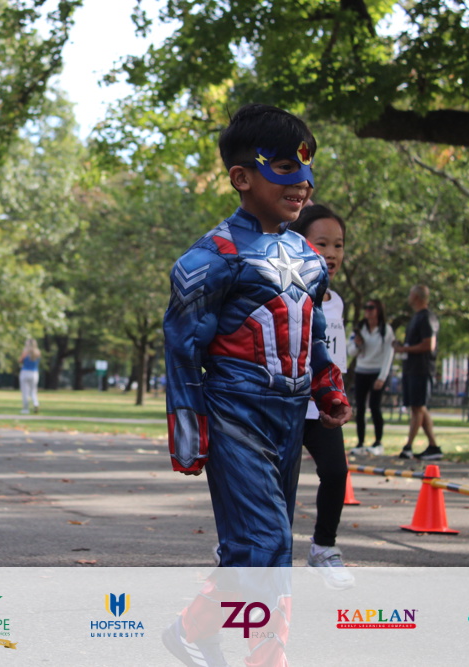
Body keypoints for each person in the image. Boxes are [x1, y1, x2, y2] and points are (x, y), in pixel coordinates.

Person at [162, 104, 349, 666]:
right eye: (285, 167)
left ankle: (190, 632)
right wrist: (188, 427)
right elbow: (182, 347)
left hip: (289, 417)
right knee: (268, 543)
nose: (303, 182)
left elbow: (312, 331)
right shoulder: (211, 257)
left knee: (252, 544)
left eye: (308, 168)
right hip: (234, 413)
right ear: (242, 177)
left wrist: (327, 386)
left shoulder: (307, 258)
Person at [288, 204, 354, 589]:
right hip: (285, 403)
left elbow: (334, 356)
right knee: (279, 483)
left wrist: (339, 398)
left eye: (338, 245)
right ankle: (252, 551)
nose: (331, 253)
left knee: (336, 473)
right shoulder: (286, 293)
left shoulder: (337, 302)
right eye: (322, 243)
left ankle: (323, 548)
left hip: (321, 406)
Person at [394, 285, 441, 460]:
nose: (408, 297)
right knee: (418, 406)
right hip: (411, 368)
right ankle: (434, 447)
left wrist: (405, 349)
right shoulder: (416, 317)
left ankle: (408, 446)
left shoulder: (427, 317)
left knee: (418, 407)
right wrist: (402, 347)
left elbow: (429, 345)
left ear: (417, 297)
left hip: (422, 368)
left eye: (411, 294)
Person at [348, 298, 395, 455]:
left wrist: (382, 377)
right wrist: (357, 344)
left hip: (377, 371)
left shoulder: (386, 330)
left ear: (378, 310)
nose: (367, 311)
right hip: (361, 370)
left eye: (371, 308)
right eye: (366, 307)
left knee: (375, 407)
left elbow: (389, 354)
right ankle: (360, 443)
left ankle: (378, 442)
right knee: (360, 407)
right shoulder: (359, 328)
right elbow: (351, 352)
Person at [19, 338, 41, 414]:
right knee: (33, 391)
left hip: (25, 372)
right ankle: (35, 403)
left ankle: (25, 409)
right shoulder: (37, 352)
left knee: (25, 392)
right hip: (34, 373)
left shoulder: (25, 352)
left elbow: (20, 360)